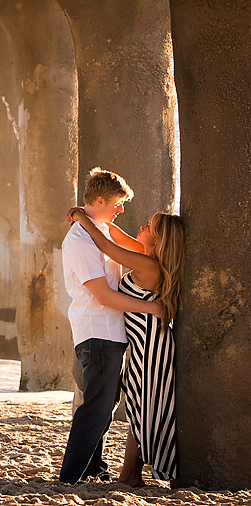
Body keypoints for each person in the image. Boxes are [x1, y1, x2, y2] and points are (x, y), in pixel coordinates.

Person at [59, 168, 162, 484]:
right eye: (118, 203)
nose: (122, 210)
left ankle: (94, 467)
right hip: (97, 332)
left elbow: (123, 247)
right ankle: (70, 476)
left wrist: (81, 214)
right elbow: (102, 295)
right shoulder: (80, 241)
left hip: (110, 334)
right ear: (100, 200)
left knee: (106, 403)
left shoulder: (99, 230)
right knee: (97, 407)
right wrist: (151, 308)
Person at [66, 206, 184, 486]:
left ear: (157, 240)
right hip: (143, 340)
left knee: (140, 406)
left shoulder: (150, 264)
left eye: (148, 226)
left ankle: (130, 475)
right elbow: (114, 236)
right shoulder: (147, 255)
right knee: (138, 405)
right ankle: (130, 474)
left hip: (151, 342)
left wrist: (81, 218)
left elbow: (106, 245)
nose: (141, 226)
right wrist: (95, 216)